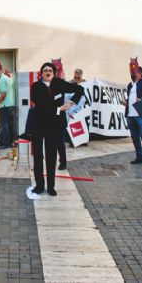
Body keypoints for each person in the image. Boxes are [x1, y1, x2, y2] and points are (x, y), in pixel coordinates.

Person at [30, 62, 84, 196]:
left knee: (51, 156)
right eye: (45, 70)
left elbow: (80, 90)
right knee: (38, 156)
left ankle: (51, 187)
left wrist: (71, 103)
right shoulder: (36, 86)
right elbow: (40, 105)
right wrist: (58, 109)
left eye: (50, 70)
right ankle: (39, 186)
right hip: (39, 124)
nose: (48, 72)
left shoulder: (59, 83)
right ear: (41, 73)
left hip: (54, 126)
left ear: (54, 73)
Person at [0, 58, 15, 149]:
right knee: (9, 124)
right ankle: (11, 142)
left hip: (5, 106)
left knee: (4, 125)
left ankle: (6, 143)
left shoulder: (1, 80)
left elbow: (3, 94)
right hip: (10, 105)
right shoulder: (6, 78)